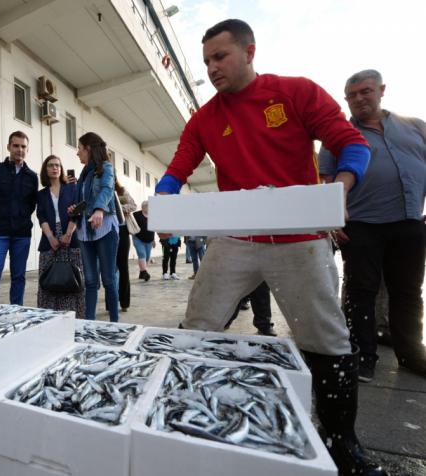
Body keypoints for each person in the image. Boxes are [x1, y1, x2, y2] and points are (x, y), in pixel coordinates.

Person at [155, 20, 385, 475]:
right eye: (206, 61)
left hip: (299, 240)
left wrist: (341, 185)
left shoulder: (295, 93)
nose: (212, 68)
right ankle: (179, 415)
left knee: (327, 338)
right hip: (235, 239)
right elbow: (178, 167)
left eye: (219, 57)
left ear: (249, 51)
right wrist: (162, 205)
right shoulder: (205, 118)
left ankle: (343, 443)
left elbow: (351, 142)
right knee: (197, 323)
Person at [319, 69, 426, 382]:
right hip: (362, 224)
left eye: (365, 91)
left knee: (408, 291)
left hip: (409, 221)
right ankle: (362, 355)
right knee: (360, 290)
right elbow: (325, 178)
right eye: (352, 95)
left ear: (381, 90)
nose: (359, 99)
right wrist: (331, 218)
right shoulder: (337, 134)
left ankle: (411, 353)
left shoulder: (415, 128)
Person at [0, 131, 38, 307]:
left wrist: (21, 218)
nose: (19, 150)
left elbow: (31, 204)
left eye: (23, 146)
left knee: (19, 276)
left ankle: (16, 312)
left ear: (27, 149)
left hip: (22, 234)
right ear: (8, 147)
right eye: (16, 145)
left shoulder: (32, 176)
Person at [73, 132, 119, 322]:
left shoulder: (106, 168)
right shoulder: (83, 175)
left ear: (88, 149)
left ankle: (115, 323)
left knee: (108, 279)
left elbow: (108, 188)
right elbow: (86, 201)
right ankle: (89, 324)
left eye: (80, 148)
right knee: (90, 281)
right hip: (85, 230)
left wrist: (99, 209)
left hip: (105, 228)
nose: (77, 153)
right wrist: (75, 208)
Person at [36, 155, 84, 318]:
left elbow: (78, 211)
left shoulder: (72, 188)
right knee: (49, 279)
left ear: (61, 168)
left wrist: (68, 234)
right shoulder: (41, 194)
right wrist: (50, 238)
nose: (55, 168)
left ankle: (73, 318)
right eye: (50, 165)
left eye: (57, 165)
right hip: (49, 237)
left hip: (70, 235)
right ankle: (49, 318)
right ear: (45, 169)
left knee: (71, 279)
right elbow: (41, 216)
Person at [115, 179, 137, 311]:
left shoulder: (122, 191)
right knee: (109, 270)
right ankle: (110, 303)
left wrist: (118, 207)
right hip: (105, 232)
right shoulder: (97, 188)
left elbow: (133, 205)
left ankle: (124, 303)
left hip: (122, 231)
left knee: (123, 267)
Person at [133, 201, 155, 282]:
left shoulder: (152, 215)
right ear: (142, 207)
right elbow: (130, 222)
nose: (147, 207)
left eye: (148, 206)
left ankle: (142, 272)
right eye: (145, 206)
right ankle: (145, 273)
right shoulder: (136, 215)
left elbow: (153, 229)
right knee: (142, 254)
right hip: (138, 238)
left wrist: (153, 240)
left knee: (147, 257)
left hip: (149, 240)